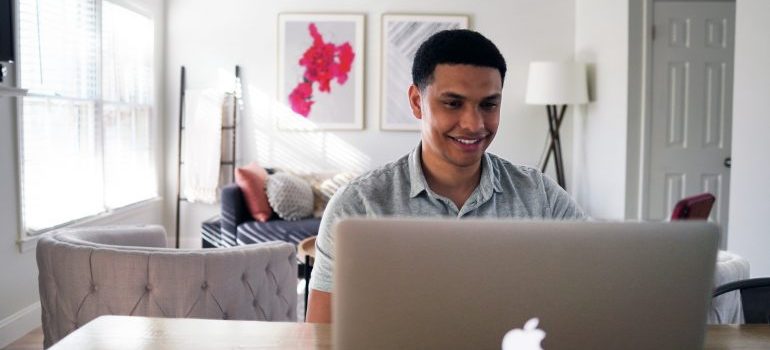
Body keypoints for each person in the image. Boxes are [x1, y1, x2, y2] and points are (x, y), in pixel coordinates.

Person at [306, 29, 586, 323]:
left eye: (488, 104)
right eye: (453, 104)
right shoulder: (357, 205)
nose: (474, 124)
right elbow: (319, 335)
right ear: (416, 102)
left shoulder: (539, 195)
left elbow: (596, 285)